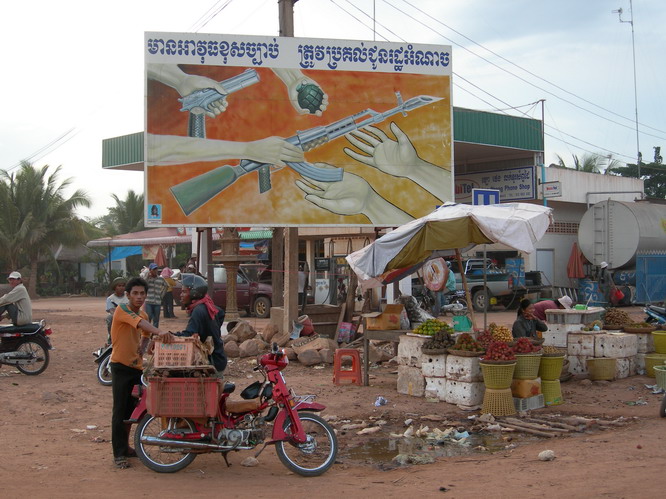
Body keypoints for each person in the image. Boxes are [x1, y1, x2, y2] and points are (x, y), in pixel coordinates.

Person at [109, 277, 174, 469]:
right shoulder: (123, 310)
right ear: (127, 295)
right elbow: (140, 325)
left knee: (131, 412)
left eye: (142, 293)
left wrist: (144, 347)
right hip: (120, 367)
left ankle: (127, 447)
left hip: (136, 368)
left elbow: (145, 334)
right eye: (135, 293)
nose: (139, 297)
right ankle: (119, 454)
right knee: (119, 411)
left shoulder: (144, 315)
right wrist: (160, 332)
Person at [174, 273, 227, 375]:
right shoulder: (207, 304)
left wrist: (171, 335)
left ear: (194, 293)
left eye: (184, 292)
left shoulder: (198, 311)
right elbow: (220, 313)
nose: (181, 295)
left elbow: (188, 334)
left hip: (213, 362)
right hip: (219, 356)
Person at [105, 277, 128, 344]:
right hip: (116, 316)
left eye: (123, 286)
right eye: (119, 286)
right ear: (115, 287)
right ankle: (111, 339)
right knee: (110, 318)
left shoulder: (128, 295)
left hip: (129, 315)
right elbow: (112, 311)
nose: (121, 288)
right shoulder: (110, 299)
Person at [144, 263, 167, 328]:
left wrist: (162, 295)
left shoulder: (160, 279)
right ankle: (147, 331)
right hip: (149, 301)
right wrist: (148, 276)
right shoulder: (148, 279)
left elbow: (166, 285)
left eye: (156, 269)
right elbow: (143, 284)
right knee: (149, 317)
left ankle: (154, 332)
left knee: (156, 319)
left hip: (157, 301)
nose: (155, 271)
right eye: (153, 269)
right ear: (150, 270)